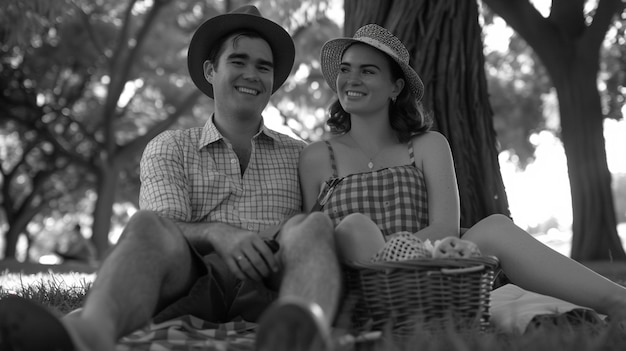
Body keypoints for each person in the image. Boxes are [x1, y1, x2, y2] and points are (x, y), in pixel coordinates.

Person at [0, 5, 339, 351]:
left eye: (263, 67)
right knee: (147, 224)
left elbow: (316, 233)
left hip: (272, 280)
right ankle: (88, 336)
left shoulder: (302, 154)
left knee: (315, 227)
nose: (252, 74)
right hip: (192, 283)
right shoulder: (172, 146)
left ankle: (299, 333)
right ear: (210, 70)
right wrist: (217, 232)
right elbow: (164, 228)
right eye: (238, 61)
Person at [299, 23, 626, 326]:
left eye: (367, 71)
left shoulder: (428, 145)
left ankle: (617, 301)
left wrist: (405, 259)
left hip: (433, 276)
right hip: (363, 285)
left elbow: (444, 228)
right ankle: (397, 314)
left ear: (395, 87)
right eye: (345, 69)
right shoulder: (316, 156)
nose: (351, 79)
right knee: (354, 226)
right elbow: (313, 238)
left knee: (496, 226)